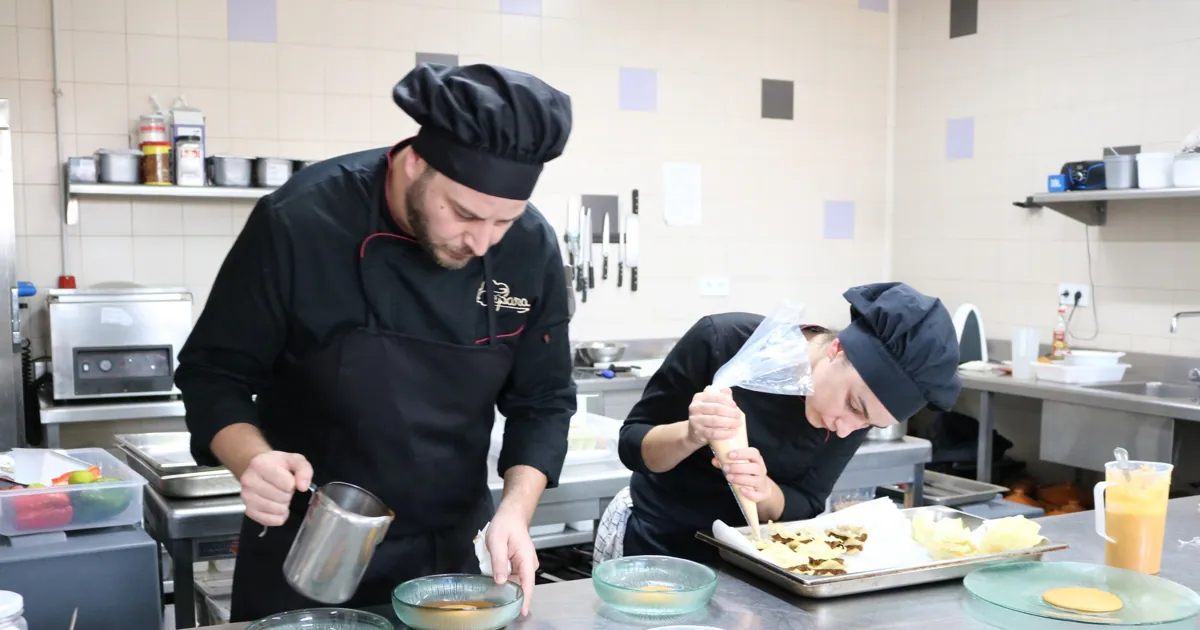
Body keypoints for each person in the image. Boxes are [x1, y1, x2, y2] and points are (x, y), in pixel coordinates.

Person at [175, 63, 576, 621]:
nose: (481, 242)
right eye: (463, 213)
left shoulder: (531, 245)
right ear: (415, 161)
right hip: (307, 550)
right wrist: (253, 461)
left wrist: (514, 511)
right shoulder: (300, 221)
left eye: (502, 222)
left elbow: (544, 400)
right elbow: (213, 374)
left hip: (448, 559)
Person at [596, 282, 962, 563]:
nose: (847, 428)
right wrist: (692, 434)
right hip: (656, 548)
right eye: (854, 406)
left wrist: (763, 489)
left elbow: (807, 502)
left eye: (869, 423)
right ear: (838, 351)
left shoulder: (852, 416)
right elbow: (633, 447)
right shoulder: (725, 342)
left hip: (751, 565)